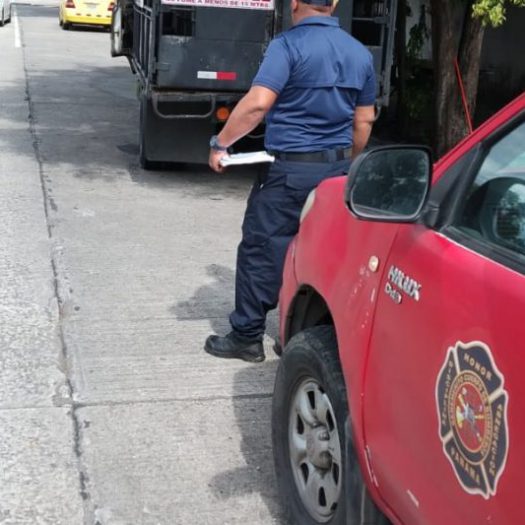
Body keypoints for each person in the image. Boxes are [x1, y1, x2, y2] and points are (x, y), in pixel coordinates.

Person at [205, 0, 376, 362]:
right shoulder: (359, 53)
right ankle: (298, 334)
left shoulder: (287, 46)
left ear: (295, 3)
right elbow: (363, 120)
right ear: (334, 4)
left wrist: (221, 144)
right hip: (335, 174)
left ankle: (247, 336)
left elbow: (257, 104)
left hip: (288, 173)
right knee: (320, 252)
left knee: (262, 248)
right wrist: (347, 161)